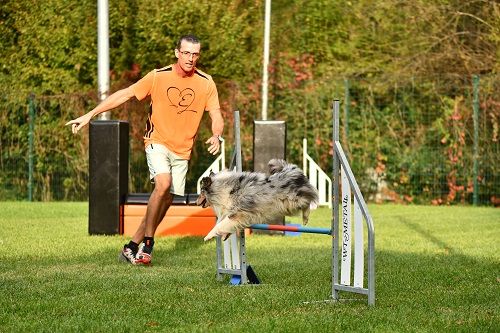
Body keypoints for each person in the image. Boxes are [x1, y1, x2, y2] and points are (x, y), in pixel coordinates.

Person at [66, 34, 224, 265]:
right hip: (156, 140)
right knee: (163, 184)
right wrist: (90, 114)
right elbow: (126, 94)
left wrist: (216, 134)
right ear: (177, 53)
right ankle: (148, 243)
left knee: (166, 199)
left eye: (195, 54)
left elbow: (216, 114)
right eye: (186, 53)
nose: (191, 58)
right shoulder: (158, 76)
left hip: (183, 150)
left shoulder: (206, 82)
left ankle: (131, 246)